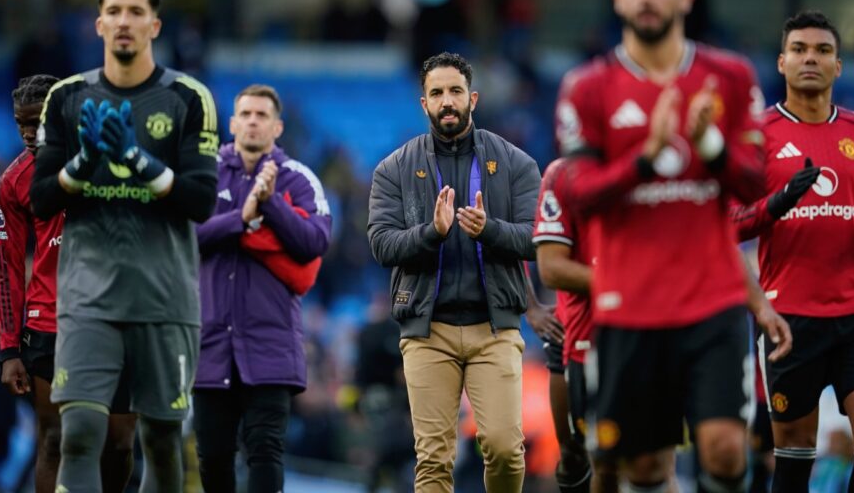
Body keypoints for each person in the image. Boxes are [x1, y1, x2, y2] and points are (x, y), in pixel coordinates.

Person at [553, 0, 776, 493]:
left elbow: (755, 180)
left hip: (713, 300)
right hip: (630, 305)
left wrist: (710, 148)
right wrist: (645, 162)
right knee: (646, 467)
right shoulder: (587, 88)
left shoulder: (730, 77)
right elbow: (578, 192)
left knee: (725, 452)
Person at [29, 0, 219, 493]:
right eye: (114, 12)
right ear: (98, 24)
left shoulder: (188, 97)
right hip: (89, 298)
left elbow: (201, 202)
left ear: (155, 25)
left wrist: (136, 160)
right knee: (80, 433)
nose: (124, 22)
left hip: (165, 300)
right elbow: (42, 200)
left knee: (159, 438)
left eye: (136, 12)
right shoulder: (67, 97)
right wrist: (82, 165)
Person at [733, 10, 854, 493]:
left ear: (838, 66)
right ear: (782, 63)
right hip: (788, 317)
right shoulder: (758, 135)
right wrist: (777, 203)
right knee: (794, 454)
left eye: (823, 50)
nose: (811, 58)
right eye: (800, 50)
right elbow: (727, 223)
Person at [367, 51, 541, 492]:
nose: (447, 101)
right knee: (433, 458)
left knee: (504, 447)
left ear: (474, 98)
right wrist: (432, 233)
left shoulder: (517, 164)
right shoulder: (393, 170)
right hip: (428, 332)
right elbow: (382, 245)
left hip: (494, 329)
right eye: (437, 93)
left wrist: (489, 230)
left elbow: (537, 238)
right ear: (422, 103)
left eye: (455, 91)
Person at [0, 74, 138, 493]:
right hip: (48, 323)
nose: (27, 133)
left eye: (35, 121)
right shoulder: (15, 180)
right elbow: (5, 267)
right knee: (55, 441)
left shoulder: (113, 161)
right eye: (19, 123)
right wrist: (8, 349)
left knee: (118, 444)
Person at [194, 84, 331, 493]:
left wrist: (270, 204)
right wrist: (242, 218)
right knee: (212, 455)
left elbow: (315, 241)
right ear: (232, 123)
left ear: (277, 127)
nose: (253, 121)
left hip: (270, 342)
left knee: (265, 450)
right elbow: (182, 235)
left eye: (262, 115)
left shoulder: (299, 178)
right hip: (211, 340)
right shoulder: (203, 173)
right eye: (246, 114)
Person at [532, 157, 594, 493]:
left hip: (637, 328)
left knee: (640, 459)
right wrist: (530, 308)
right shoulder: (561, 175)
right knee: (573, 455)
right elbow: (547, 266)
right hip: (572, 331)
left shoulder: (654, 168)